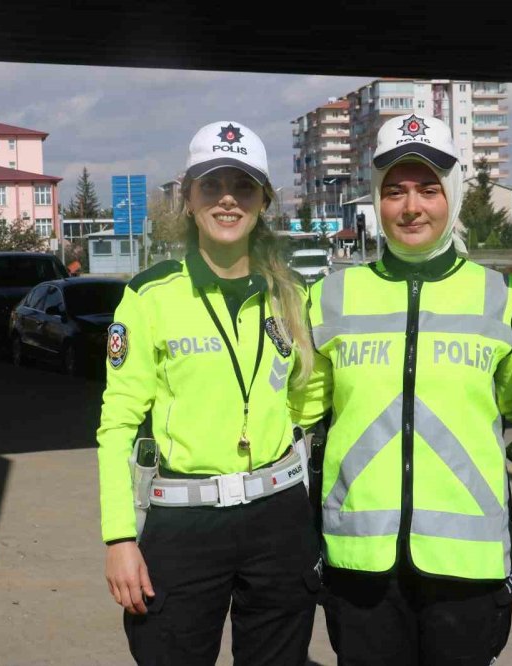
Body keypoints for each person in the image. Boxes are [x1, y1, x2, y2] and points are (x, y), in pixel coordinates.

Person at [290, 113, 512, 665]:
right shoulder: (331, 297)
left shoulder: (503, 297)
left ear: (451, 195)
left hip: (468, 572)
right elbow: (299, 412)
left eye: (428, 189)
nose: (411, 206)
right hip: (359, 565)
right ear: (377, 200)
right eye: (394, 191)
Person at [96, 120, 320, 665]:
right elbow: (118, 423)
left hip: (279, 518)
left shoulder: (291, 295)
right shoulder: (150, 296)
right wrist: (119, 537)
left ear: (263, 200)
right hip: (183, 524)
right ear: (189, 199)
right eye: (211, 186)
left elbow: (308, 398)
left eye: (243, 187)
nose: (227, 200)